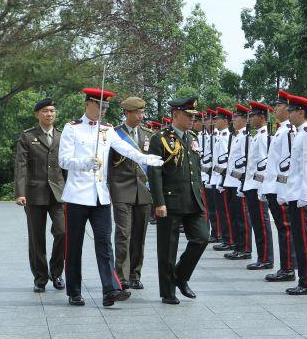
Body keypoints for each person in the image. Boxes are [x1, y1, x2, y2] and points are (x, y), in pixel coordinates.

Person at [58, 87, 163, 307]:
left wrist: (145, 157)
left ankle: (110, 289)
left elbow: (124, 148)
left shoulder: (106, 129)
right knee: (74, 246)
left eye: (105, 107)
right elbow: (63, 160)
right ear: (88, 104)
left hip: (101, 198)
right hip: (77, 196)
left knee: (105, 245)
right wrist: (83, 163)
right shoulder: (72, 128)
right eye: (99, 106)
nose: (103, 111)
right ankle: (74, 291)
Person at [147, 97, 209, 304]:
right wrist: (159, 202)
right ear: (175, 115)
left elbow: (195, 170)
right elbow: (155, 173)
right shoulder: (161, 138)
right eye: (188, 115)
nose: (192, 119)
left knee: (202, 238)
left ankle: (180, 277)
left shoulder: (193, 137)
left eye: (193, 115)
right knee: (168, 247)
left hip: (193, 199)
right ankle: (168, 292)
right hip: (171, 200)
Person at [14, 98, 66, 293]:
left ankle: (57, 272)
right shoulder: (27, 136)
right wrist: (20, 193)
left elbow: (67, 166)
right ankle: (40, 277)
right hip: (34, 193)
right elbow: (21, 166)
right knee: (37, 237)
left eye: (52, 110)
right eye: (45, 111)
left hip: (59, 194)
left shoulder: (62, 136)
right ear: (37, 114)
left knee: (62, 232)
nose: (49, 114)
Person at [108, 96, 153, 291]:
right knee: (123, 233)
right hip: (121, 190)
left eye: (142, 112)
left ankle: (135, 274)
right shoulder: (114, 134)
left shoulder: (148, 135)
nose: (141, 116)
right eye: (137, 112)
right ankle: (122, 275)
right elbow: (108, 164)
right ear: (127, 113)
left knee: (139, 235)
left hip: (143, 191)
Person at [281, 94, 307, 295]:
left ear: (301, 112)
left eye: (291, 111)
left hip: (302, 196)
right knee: (299, 239)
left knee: (304, 240)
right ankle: (304, 279)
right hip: (295, 194)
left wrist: (305, 195)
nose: (288, 114)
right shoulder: (299, 134)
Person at [260, 90, 297, 282]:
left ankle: (288, 268)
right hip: (272, 187)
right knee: (283, 229)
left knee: (285, 228)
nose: (275, 109)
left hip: (280, 189)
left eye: (279, 105)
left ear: (288, 108)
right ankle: (286, 266)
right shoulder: (281, 130)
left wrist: (282, 189)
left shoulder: (289, 131)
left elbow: (288, 164)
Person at [243, 101, 274, 270]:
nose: (250, 119)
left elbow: (263, 165)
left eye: (253, 116)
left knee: (262, 223)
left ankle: (266, 258)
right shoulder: (257, 137)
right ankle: (262, 256)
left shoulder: (262, 138)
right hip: (251, 185)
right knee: (256, 223)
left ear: (262, 118)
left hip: (257, 187)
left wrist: (262, 189)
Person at [222, 104, 253, 260]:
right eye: (233, 117)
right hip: (231, 182)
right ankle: (238, 246)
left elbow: (245, 162)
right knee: (234, 217)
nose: (233, 120)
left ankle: (245, 248)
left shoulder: (246, 138)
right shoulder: (236, 137)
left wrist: (242, 183)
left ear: (244, 120)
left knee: (242, 218)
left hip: (238, 183)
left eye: (236, 117)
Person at [210, 107, 235, 252]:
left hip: (223, 180)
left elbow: (225, 161)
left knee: (225, 212)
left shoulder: (226, 138)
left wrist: (221, 179)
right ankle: (226, 238)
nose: (215, 121)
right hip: (217, 178)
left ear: (225, 121)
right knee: (220, 211)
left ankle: (229, 239)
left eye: (217, 119)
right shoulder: (221, 137)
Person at [201, 108, 221, 243]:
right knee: (209, 208)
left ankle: (217, 233)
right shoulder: (208, 136)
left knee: (216, 208)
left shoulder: (217, 136)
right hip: (206, 176)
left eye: (209, 119)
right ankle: (213, 232)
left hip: (213, 176)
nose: (206, 122)